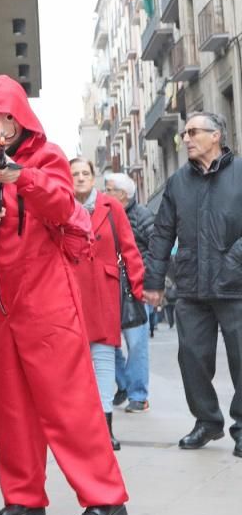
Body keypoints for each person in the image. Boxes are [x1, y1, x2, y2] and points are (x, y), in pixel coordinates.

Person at [0, 75, 129, 515]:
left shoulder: (47, 158)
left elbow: (63, 208)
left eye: (6, 118)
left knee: (68, 401)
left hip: (47, 296)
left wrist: (26, 179)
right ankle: (23, 494)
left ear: (22, 120)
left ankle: (105, 496)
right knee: (10, 404)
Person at [143, 112, 242, 459]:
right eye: (184, 133)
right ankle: (207, 422)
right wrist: (154, 281)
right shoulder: (177, 182)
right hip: (190, 286)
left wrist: (234, 260)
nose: (185, 138)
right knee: (192, 359)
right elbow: (161, 235)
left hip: (236, 285)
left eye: (193, 132)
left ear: (216, 136)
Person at [71, 159, 145, 451]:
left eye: (85, 173)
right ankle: (79, 427)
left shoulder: (111, 207)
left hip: (104, 291)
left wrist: (140, 290)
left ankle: (105, 427)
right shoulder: (58, 206)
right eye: (74, 173)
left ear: (94, 177)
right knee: (75, 364)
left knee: (102, 360)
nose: (80, 178)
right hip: (70, 294)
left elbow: (129, 248)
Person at [104, 172, 154, 411]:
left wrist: (150, 279)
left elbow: (157, 246)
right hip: (108, 287)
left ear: (123, 195)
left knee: (136, 344)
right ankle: (124, 384)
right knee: (105, 343)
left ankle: (138, 395)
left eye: (110, 188)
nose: (105, 192)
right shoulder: (104, 213)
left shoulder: (142, 215)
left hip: (135, 287)